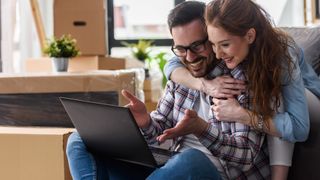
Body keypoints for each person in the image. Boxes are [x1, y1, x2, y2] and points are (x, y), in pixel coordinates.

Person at [66, 1, 272, 179]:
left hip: (217, 173)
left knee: (191, 160)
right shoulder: (180, 77)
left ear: (212, 37)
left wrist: (201, 129)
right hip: (169, 168)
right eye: (181, 49)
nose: (189, 57)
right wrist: (146, 121)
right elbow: (161, 133)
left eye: (197, 46)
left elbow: (245, 157)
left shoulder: (240, 79)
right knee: (79, 139)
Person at [163, 0, 319, 179]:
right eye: (213, 45)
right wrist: (206, 86)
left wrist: (242, 115)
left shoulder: (281, 56)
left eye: (224, 45)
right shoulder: (228, 47)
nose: (218, 54)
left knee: (274, 94)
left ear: (250, 36)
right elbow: (171, 64)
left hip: (310, 97)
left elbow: (299, 129)